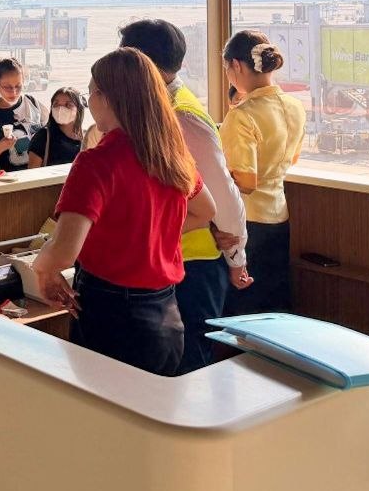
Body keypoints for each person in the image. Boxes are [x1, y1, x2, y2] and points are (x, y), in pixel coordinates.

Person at [32, 48, 217, 377]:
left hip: (111, 316)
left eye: (91, 94)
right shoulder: (170, 154)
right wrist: (151, 236)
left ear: (107, 97)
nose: (89, 103)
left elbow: (63, 251)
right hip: (165, 314)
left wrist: (42, 270)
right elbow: (205, 211)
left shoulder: (96, 163)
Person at [119, 19, 251, 373]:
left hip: (194, 266)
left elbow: (223, 197)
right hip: (167, 261)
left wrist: (236, 259)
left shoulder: (181, 116)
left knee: (188, 367)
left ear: (141, 63)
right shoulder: (155, 107)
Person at [220, 30, 306, 317]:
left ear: (237, 65)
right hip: (279, 214)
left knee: (243, 307)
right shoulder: (295, 107)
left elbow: (246, 182)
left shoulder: (243, 115)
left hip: (247, 220)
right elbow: (292, 158)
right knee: (274, 301)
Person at [0, 57, 45, 173]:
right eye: (7, 87)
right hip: (9, 177)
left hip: (37, 173)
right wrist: (0, 147)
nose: (14, 92)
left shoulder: (32, 102)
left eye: (18, 86)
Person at [27, 88, 87, 168]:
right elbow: (32, 172)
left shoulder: (87, 138)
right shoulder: (43, 136)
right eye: (56, 104)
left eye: (68, 105)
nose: (60, 109)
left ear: (79, 109)